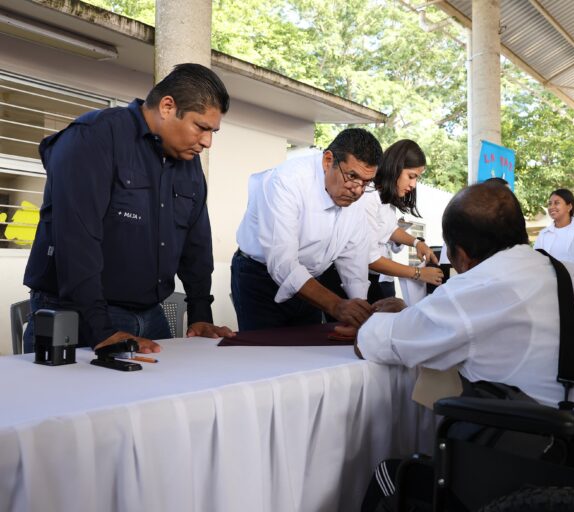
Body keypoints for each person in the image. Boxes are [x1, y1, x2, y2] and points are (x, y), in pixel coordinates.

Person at [357, 182, 574, 478]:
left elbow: (372, 341)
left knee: (391, 476)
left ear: (461, 255)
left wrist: (379, 316)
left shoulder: (474, 288)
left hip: (556, 472)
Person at [22, 63, 234, 354]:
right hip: (79, 314)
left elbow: (195, 243)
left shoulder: (188, 161)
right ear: (168, 107)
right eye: (201, 127)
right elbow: (76, 240)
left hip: (150, 315)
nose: (207, 142)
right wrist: (100, 330)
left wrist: (200, 313)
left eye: (213, 132)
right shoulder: (92, 138)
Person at [231, 128, 382, 330]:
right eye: (352, 176)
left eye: (366, 182)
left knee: (308, 355)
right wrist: (337, 306)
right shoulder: (287, 181)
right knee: (263, 356)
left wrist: (358, 312)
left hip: (311, 283)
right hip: (260, 278)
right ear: (328, 161)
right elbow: (283, 264)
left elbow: (354, 259)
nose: (358, 190)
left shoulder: (355, 199)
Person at [363, 139, 442, 302]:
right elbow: (370, 258)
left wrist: (417, 243)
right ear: (395, 167)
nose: (413, 184)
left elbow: (389, 229)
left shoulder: (385, 201)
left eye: (417, 179)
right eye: (411, 176)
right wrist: (419, 274)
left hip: (372, 279)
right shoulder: (368, 198)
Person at [533, 188, 574, 264]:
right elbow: (537, 260)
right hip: (547, 275)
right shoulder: (544, 234)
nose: (551, 207)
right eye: (550, 204)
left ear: (569, 207)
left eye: (557, 203)